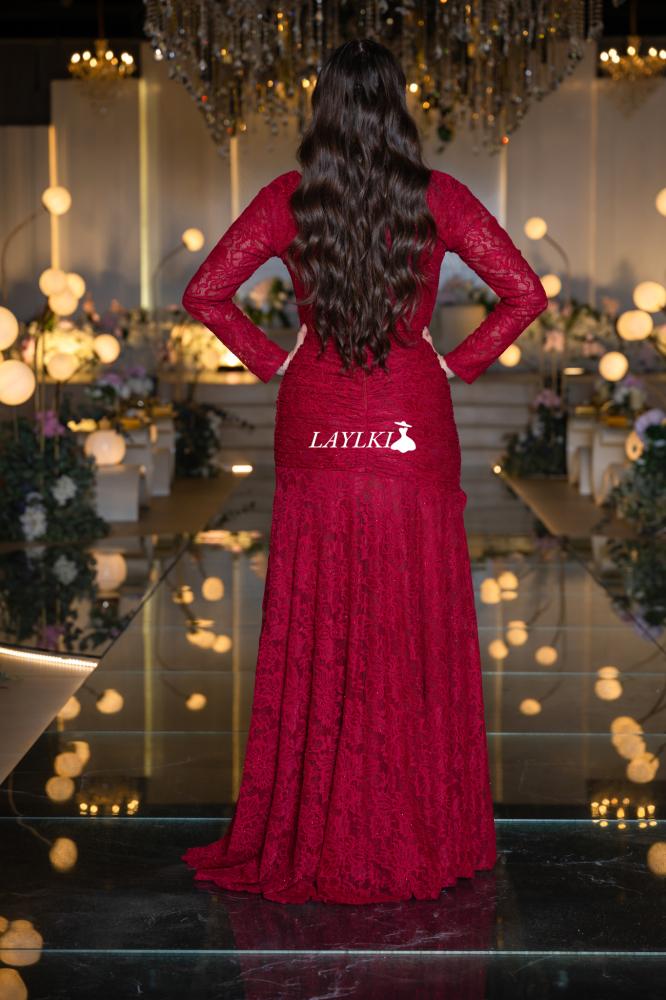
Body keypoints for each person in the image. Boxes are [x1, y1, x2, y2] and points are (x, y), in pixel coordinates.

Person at [180, 38, 548, 905]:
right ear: (398, 109)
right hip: (411, 416)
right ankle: (422, 822)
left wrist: (273, 357)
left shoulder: (289, 198)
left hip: (317, 417)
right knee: (410, 609)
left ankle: (318, 820)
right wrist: (458, 360)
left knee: (324, 609)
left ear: (323, 108)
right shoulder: (438, 196)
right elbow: (525, 293)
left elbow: (205, 293)